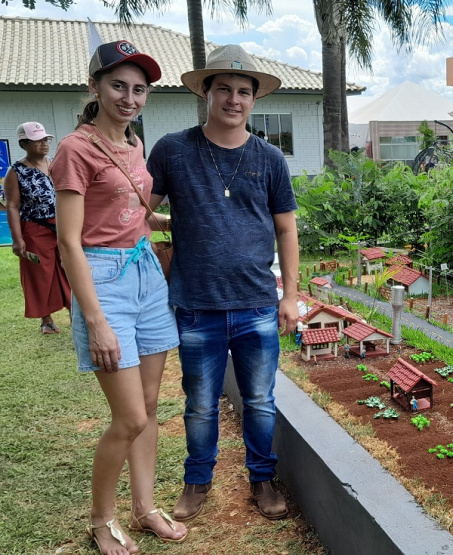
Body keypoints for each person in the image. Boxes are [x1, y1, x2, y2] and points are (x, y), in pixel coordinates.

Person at [146, 44, 299, 522]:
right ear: (206, 93)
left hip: (256, 302)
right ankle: (197, 481)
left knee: (259, 400)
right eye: (224, 89)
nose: (234, 99)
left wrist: (290, 295)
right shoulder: (173, 149)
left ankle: (262, 479)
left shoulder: (270, 158)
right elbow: (138, 210)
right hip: (196, 304)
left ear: (254, 100)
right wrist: (175, 225)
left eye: (244, 92)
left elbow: (286, 228)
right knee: (200, 404)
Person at [50, 40, 187, 554]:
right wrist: (96, 319)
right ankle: (101, 520)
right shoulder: (75, 149)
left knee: (150, 406)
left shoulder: (134, 144)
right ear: (95, 87)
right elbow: (69, 239)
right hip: (103, 280)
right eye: (119, 86)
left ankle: (145, 507)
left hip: (147, 272)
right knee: (128, 416)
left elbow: (129, 212)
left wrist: (166, 222)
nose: (130, 97)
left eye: (139, 89)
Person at [3, 122, 72, 334]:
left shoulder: (54, 164)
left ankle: (75, 313)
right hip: (34, 228)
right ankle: (46, 319)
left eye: (45, 139)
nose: (44, 144)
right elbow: (13, 206)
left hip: (61, 226)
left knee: (69, 268)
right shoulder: (15, 171)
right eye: (37, 141)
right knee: (40, 273)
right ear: (24, 144)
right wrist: (17, 239)